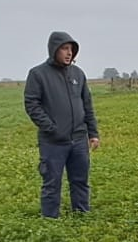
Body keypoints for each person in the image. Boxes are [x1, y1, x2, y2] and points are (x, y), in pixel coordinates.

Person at [24, 31, 101, 217]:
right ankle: (50, 220)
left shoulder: (78, 74)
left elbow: (87, 105)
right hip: (53, 142)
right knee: (52, 183)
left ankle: (81, 215)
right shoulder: (38, 74)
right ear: (54, 50)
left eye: (71, 49)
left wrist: (93, 133)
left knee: (80, 181)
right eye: (64, 48)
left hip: (79, 140)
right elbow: (32, 105)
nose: (69, 53)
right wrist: (51, 128)